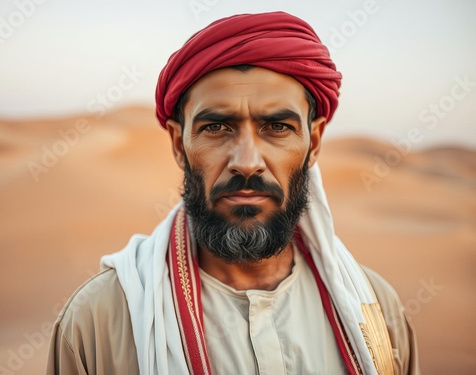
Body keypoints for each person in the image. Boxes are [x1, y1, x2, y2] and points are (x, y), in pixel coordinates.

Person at [47, 11, 420, 375]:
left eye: (276, 126)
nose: (246, 162)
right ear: (179, 144)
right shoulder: (99, 322)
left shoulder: (375, 311)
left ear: (314, 142)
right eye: (216, 127)